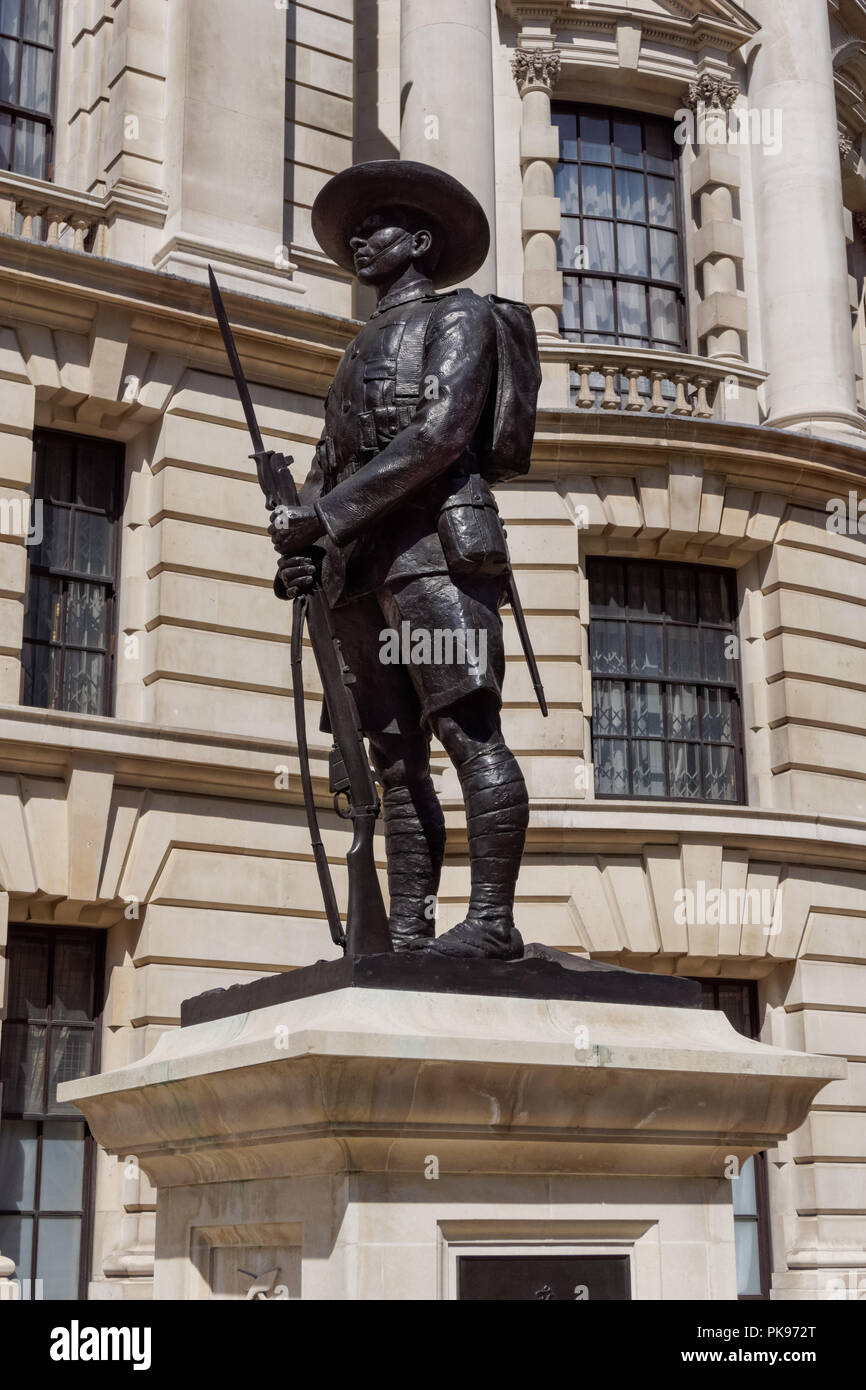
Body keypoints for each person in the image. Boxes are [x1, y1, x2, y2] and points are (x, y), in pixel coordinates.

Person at [267, 160, 535, 960]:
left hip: (432, 556)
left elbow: (441, 435)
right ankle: (407, 934)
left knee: (466, 730)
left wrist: (324, 515)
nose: (359, 240)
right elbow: (329, 460)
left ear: (418, 242)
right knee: (391, 761)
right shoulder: (355, 350)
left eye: (375, 228)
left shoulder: (462, 317)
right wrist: (304, 548)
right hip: (358, 575)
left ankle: (492, 920)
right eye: (356, 232)